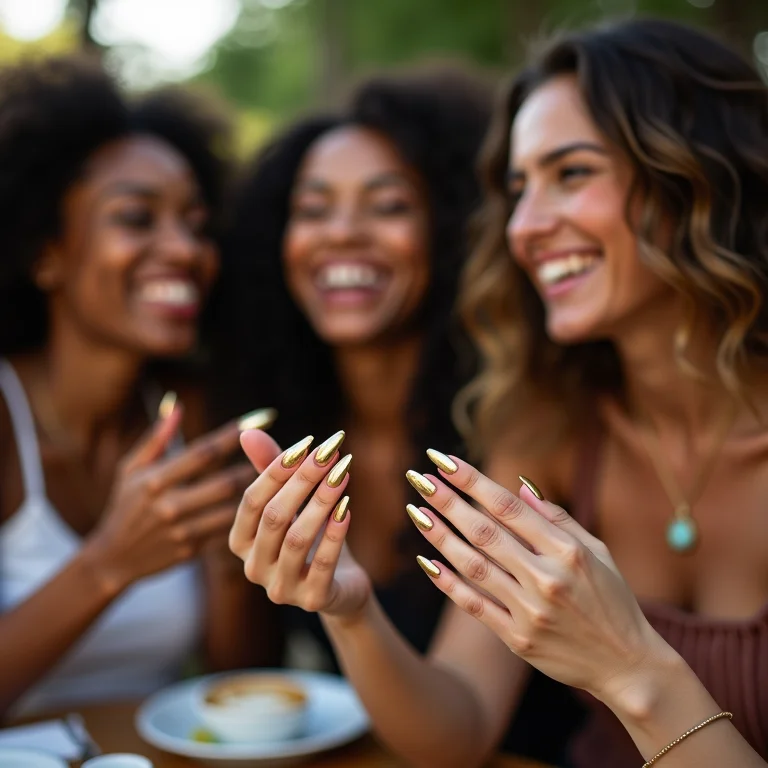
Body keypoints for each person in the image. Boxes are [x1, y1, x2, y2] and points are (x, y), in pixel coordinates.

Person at [229, 19, 768, 768]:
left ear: (698, 176)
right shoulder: (550, 429)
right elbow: (460, 731)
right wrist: (348, 610)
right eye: (517, 189)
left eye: (571, 173)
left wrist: (631, 670)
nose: (526, 226)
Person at [0, 55, 271, 719]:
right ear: (44, 252)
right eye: (137, 219)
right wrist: (110, 563)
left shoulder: (201, 417)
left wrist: (234, 570)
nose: (184, 249)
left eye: (197, 224)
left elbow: (242, 693)